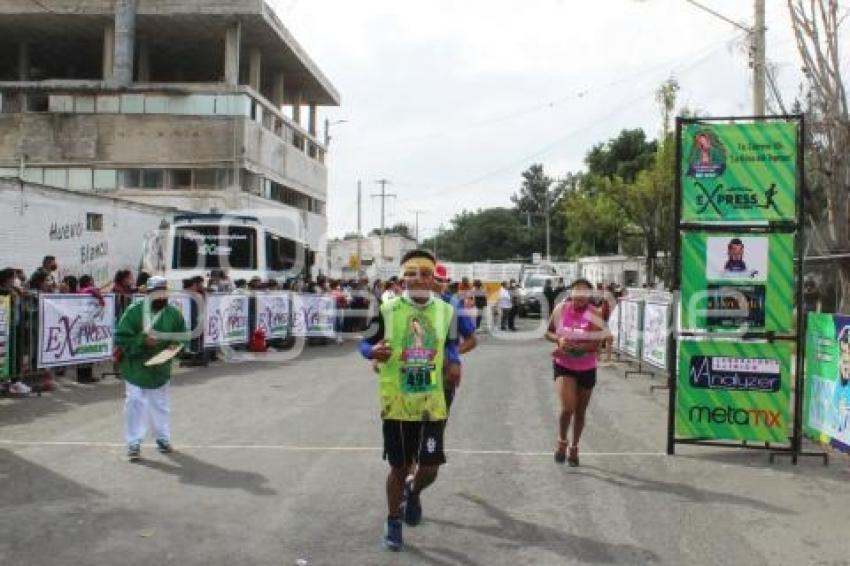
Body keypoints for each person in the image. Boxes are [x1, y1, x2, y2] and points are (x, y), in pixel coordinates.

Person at [359, 250, 460, 552]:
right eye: (411, 274)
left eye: (424, 273)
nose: (417, 279)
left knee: (429, 468)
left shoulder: (446, 311)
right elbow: (365, 343)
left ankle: (413, 493)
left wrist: (453, 362)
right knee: (399, 467)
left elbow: (451, 344)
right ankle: (393, 520)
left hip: (431, 403)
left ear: (433, 279)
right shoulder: (387, 309)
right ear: (403, 279)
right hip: (398, 403)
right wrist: (371, 352)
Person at [114, 276, 188, 461]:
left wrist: (174, 347)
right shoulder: (134, 311)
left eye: (164, 292)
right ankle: (133, 442)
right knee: (135, 401)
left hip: (160, 367)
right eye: (157, 292)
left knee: (160, 404)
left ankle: (162, 438)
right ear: (147, 293)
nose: (161, 296)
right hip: (136, 367)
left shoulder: (174, 313)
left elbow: (181, 336)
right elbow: (121, 337)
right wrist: (142, 340)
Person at [545, 278, 601, 466]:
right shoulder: (561, 309)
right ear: (571, 292)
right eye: (577, 290)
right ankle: (562, 441)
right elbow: (549, 332)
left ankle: (575, 447)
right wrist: (559, 341)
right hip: (564, 364)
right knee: (567, 407)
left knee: (580, 411)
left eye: (585, 292)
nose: (580, 295)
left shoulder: (594, 314)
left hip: (586, 367)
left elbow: (596, 344)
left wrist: (579, 348)